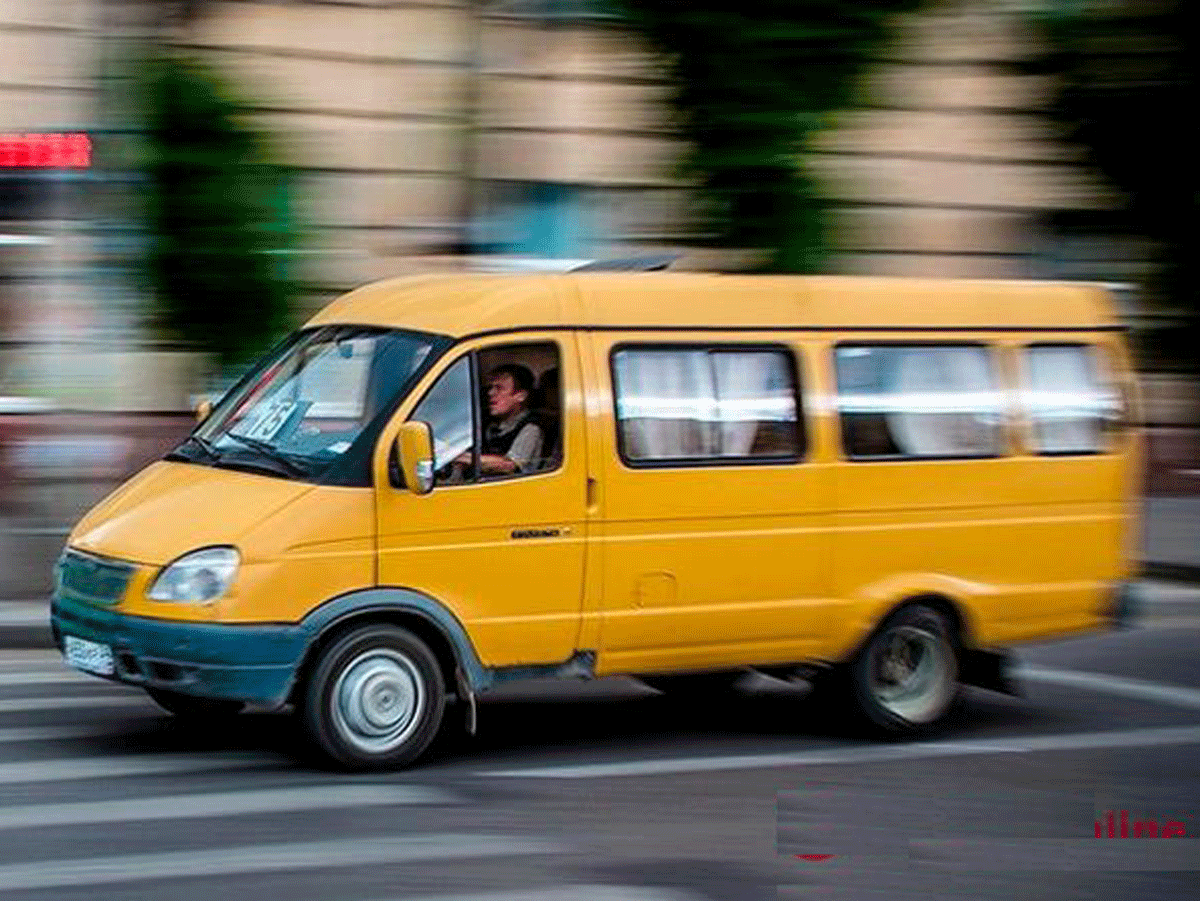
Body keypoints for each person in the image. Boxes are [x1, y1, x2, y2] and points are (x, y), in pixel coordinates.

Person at [456, 363, 544, 477]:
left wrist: (463, 458)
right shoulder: (489, 424)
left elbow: (510, 466)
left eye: (499, 388)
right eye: (490, 388)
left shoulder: (531, 429)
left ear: (520, 396)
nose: (491, 393)